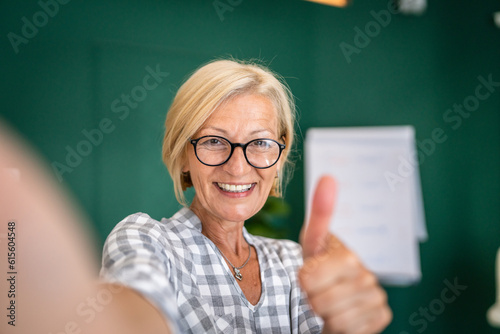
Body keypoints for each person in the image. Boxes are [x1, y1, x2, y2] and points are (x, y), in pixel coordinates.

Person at [99, 59, 392, 333]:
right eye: (214, 140)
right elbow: (134, 319)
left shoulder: (294, 262)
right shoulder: (145, 239)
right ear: (184, 154)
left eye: (260, 142)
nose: (238, 168)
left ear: (279, 157)